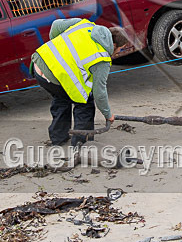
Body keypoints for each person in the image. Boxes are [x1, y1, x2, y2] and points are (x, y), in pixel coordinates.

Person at [30, 17, 129, 146]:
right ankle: (81, 143)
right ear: (115, 45)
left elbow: (55, 25)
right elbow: (99, 92)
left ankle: (58, 138)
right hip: (54, 76)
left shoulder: (85, 25)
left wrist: (59, 52)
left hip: (39, 64)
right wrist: (108, 114)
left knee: (61, 97)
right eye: (120, 49)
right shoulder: (102, 58)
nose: (117, 53)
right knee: (85, 102)